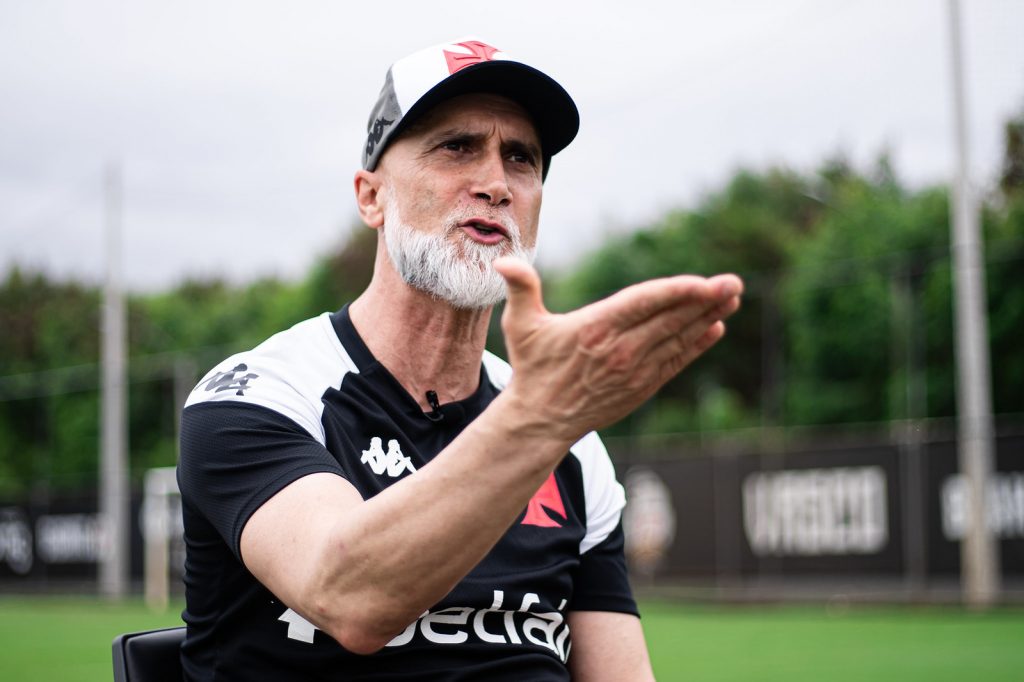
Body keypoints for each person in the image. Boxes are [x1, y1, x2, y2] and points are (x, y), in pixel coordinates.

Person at [177, 37, 743, 681]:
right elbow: (349, 597)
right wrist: (538, 420)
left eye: (522, 158)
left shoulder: (574, 447)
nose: (496, 184)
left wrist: (549, 419)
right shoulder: (258, 396)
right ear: (371, 196)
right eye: (457, 147)